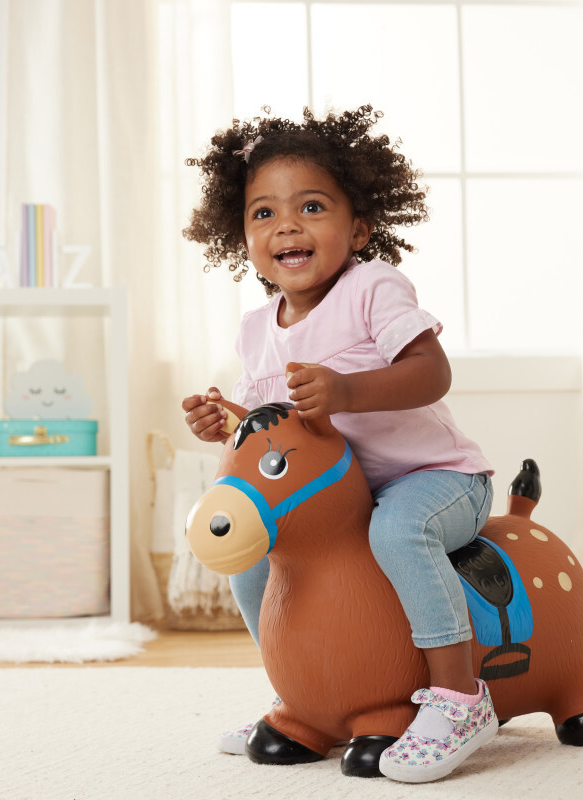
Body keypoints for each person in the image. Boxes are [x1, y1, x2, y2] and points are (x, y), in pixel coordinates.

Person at [180, 105, 496, 784]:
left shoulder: (372, 289)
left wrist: (348, 390)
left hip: (430, 480)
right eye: (264, 213)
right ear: (242, 237)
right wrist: (226, 421)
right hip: (337, 502)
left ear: (358, 227)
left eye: (312, 207)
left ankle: (459, 698)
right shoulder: (255, 329)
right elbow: (272, 428)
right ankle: (302, 695)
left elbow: (431, 372)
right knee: (252, 562)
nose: (287, 225)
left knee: (398, 531)